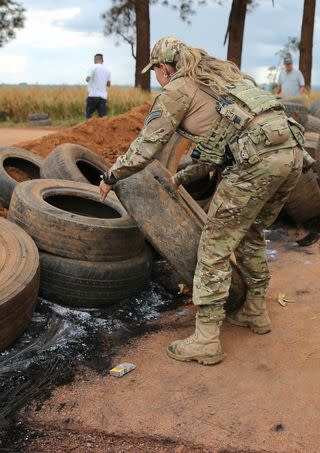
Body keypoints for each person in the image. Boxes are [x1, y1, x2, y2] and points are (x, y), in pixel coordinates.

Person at [98, 37, 307, 365]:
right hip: (292, 154)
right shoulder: (221, 78)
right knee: (249, 231)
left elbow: (145, 147)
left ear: (164, 68)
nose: (157, 77)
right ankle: (255, 312)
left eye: (156, 71)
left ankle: (207, 340)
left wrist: (111, 176)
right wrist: (181, 178)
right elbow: (225, 145)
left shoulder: (177, 90)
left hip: (256, 160)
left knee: (214, 245)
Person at [85, 53, 111, 119]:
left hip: (93, 96)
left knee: (88, 116)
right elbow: (108, 84)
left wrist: (87, 79)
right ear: (102, 60)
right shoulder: (107, 70)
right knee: (103, 117)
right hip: (103, 97)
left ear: (95, 59)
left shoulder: (93, 67)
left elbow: (87, 79)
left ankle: (88, 129)